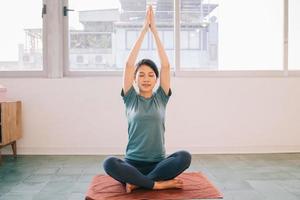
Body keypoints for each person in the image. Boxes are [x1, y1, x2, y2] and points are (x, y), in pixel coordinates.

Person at [103, 5, 191, 193]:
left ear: (156, 79)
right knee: (109, 163)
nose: (146, 78)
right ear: (134, 79)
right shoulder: (130, 99)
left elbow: (166, 66)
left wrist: (155, 31)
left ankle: (139, 182)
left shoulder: (161, 97)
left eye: (151, 75)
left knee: (184, 156)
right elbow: (128, 65)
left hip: (158, 164)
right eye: (141, 75)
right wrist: (144, 29)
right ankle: (156, 184)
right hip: (132, 164)